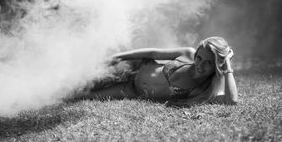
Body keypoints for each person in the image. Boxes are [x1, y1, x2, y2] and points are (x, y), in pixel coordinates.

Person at [67, 36, 238, 105]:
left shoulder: (203, 89)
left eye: (208, 63)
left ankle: (56, 96)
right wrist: (120, 56)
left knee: (84, 96)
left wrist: (228, 66)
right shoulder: (187, 53)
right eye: (199, 58)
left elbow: (233, 101)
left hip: (131, 90)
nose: (200, 65)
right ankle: (53, 86)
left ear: (217, 66)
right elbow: (153, 52)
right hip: (134, 68)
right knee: (84, 80)